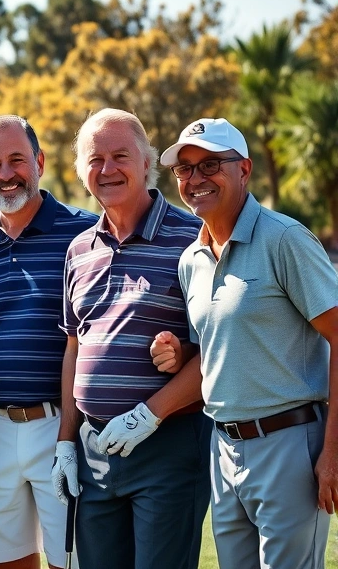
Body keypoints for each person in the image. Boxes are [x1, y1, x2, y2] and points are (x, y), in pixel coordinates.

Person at [150, 118, 338, 569]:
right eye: (184, 170)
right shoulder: (190, 260)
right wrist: (182, 354)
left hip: (290, 443)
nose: (195, 179)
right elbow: (219, 349)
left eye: (210, 164)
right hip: (223, 449)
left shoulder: (285, 239)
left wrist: (332, 453)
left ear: (245, 170)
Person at [51, 109, 211, 569]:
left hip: (168, 446)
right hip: (94, 452)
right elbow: (75, 347)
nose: (107, 169)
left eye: (120, 155)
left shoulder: (194, 238)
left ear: (147, 163)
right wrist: (66, 442)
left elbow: (219, 348)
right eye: (94, 159)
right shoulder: (79, 249)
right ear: (81, 172)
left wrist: (151, 410)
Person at [0, 116, 97, 569]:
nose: (5, 174)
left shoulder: (86, 234)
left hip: (62, 429)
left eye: (17, 159)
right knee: (6, 562)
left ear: (38, 161)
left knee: (70, 560)